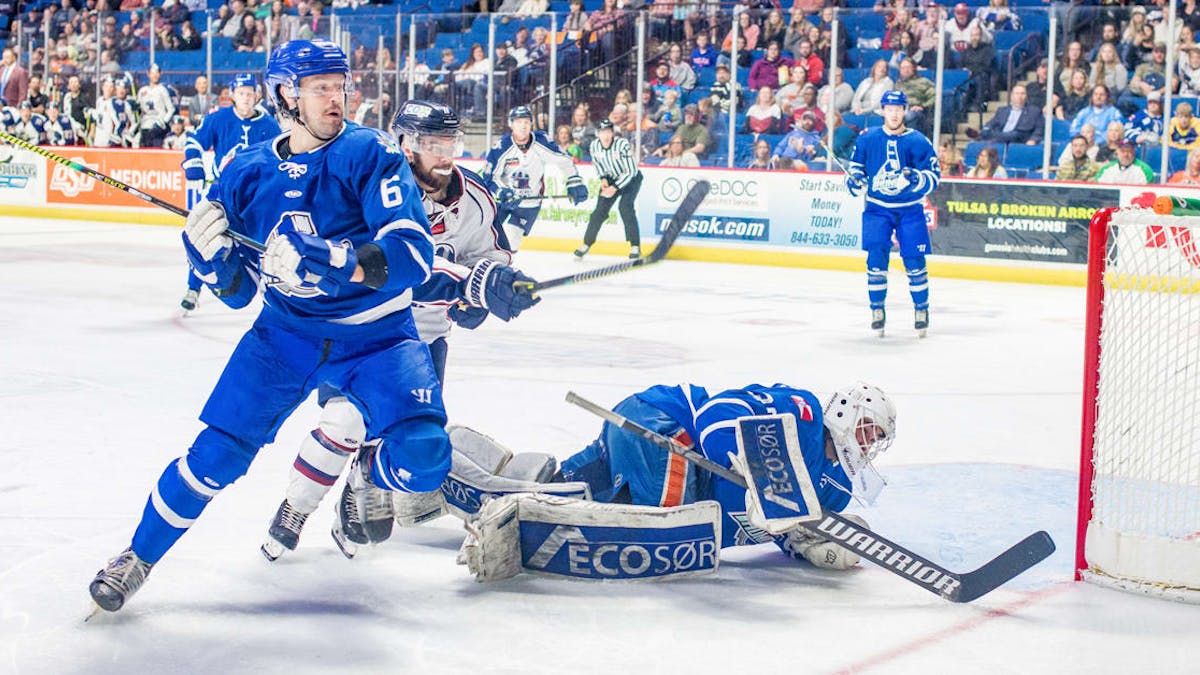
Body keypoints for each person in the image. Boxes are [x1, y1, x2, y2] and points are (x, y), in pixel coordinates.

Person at [87, 39, 529, 614]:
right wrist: (212, 263)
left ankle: (370, 468)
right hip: (283, 338)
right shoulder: (245, 172)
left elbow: (413, 256)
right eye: (321, 87)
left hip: (378, 338)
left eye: (341, 85)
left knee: (425, 457)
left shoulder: (370, 153)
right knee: (213, 458)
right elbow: (242, 291)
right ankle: (136, 557)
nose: (336, 97)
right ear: (284, 95)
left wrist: (338, 258)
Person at [260, 99, 541, 560]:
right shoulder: (370, 187)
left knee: (401, 451)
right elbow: (390, 268)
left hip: (425, 342)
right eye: (432, 144)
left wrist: (489, 290)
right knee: (346, 420)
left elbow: (491, 256)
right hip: (360, 331)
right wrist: (464, 283)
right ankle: (295, 507)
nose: (445, 154)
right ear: (405, 145)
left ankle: (366, 472)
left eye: (450, 142)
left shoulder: (473, 198)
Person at [534, 382, 895, 571]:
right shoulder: (802, 414)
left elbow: (777, 526)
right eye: (867, 429)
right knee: (671, 533)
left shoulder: (836, 492)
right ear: (846, 411)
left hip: (662, 465)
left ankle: (524, 488)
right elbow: (717, 412)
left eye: (876, 440)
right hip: (664, 425)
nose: (868, 444)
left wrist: (808, 542)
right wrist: (753, 471)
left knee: (571, 488)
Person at [178, 73, 282, 313]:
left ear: (257, 96)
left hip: (257, 198)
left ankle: (274, 291)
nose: (246, 98)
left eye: (250, 93)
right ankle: (193, 288)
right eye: (241, 93)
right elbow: (194, 141)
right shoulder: (218, 118)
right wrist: (193, 162)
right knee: (205, 237)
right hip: (222, 193)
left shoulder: (269, 125)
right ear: (232, 95)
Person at [845, 90, 939, 337]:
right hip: (877, 208)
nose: (894, 113)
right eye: (889, 108)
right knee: (876, 258)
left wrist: (916, 178)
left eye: (898, 109)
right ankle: (877, 310)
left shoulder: (919, 141)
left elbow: (934, 176)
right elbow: (855, 170)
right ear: (882, 111)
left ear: (905, 110)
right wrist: (855, 182)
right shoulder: (867, 138)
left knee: (915, 261)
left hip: (910, 210)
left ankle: (921, 309)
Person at [482, 105, 589, 250]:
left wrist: (574, 182)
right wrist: (502, 192)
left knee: (513, 240)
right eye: (518, 122)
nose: (523, 126)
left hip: (529, 203)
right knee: (486, 236)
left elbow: (565, 160)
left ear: (531, 124)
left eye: (526, 122)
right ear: (511, 124)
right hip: (505, 201)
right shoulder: (502, 147)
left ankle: (503, 268)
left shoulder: (542, 142)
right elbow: (489, 177)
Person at [575, 119, 642, 260]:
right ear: (597, 133)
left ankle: (635, 246)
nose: (605, 135)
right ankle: (586, 243)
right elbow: (598, 165)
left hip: (631, 179)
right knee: (599, 212)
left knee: (625, 208)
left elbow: (630, 171)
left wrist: (615, 187)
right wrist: (603, 178)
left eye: (608, 132)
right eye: (602, 132)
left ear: (612, 133)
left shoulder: (622, 144)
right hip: (611, 179)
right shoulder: (594, 146)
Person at [975, 82, 1043, 144]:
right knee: (985, 133)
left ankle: (986, 136)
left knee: (1013, 135)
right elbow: (991, 123)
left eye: (1022, 93)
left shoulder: (1034, 111)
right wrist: (985, 130)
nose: (1019, 96)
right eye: (1017, 93)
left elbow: (1039, 129)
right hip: (1001, 136)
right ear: (1012, 96)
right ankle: (981, 135)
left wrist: (1033, 140)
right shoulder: (1002, 110)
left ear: (1026, 96)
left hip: (1017, 138)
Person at [136, 65, 175, 148]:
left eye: (157, 73)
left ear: (160, 74)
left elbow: (171, 109)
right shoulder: (142, 91)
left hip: (158, 128)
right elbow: (139, 110)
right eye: (152, 73)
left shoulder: (163, 90)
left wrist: (163, 122)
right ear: (148, 74)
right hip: (145, 127)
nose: (155, 75)